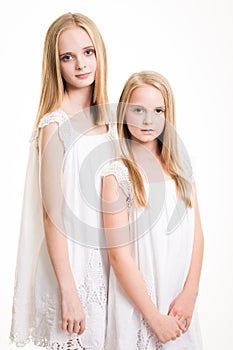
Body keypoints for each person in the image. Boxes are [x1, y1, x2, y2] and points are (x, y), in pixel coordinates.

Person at [10, 12, 116, 350]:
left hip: (110, 265)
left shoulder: (112, 124)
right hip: (71, 269)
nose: (80, 64)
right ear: (55, 64)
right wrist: (68, 290)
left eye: (88, 52)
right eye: (67, 57)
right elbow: (51, 215)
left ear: (99, 52)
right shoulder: (55, 126)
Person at [101, 70, 204, 349]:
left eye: (158, 110)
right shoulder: (118, 175)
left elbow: (196, 235)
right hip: (138, 306)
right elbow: (119, 256)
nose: (148, 120)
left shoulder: (181, 168)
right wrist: (154, 318)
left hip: (177, 305)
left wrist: (189, 293)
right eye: (138, 110)